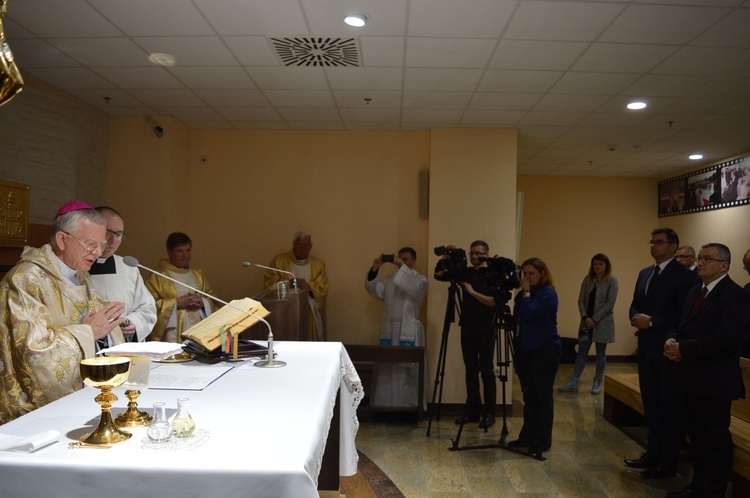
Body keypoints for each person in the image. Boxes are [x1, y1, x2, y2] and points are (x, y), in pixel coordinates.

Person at [0, 201, 126, 423]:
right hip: (35, 413)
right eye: (90, 244)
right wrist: (88, 332)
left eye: (100, 244)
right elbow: (33, 353)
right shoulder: (25, 280)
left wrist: (110, 324)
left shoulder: (80, 276)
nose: (98, 252)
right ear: (62, 239)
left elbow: (98, 326)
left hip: (86, 399)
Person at [664, 243, 750, 498]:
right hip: (691, 377)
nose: (700, 262)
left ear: (724, 265)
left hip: (715, 379)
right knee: (697, 438)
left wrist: (684, 349)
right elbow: (684, 327)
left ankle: (712, 491)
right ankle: (697, 486)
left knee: (714, 441)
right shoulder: (694, 292)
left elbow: (726, 338)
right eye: (699, 258)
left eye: (707, 259)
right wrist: (672, 341)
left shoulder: (735, 295)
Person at [625, 228, 700, 478]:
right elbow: (636, 303)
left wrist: (653, 322)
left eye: (659, 243)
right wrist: (635, 316)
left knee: (670, 407)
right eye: (652, 242)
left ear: (673, 247)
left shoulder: (684, 276)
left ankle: (668, 461)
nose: (653, 246)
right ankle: (652, 453)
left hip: (668, 350)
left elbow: (684, 315)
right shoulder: (645, 273)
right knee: (652, 404)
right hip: (646, 349)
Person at [438, 241, 498, 429]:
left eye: (478, 253)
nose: (474, 257)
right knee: (470, 371)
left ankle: (489, 413)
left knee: (486, 371)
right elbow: (438, 275)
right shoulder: (467, 272)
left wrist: (471, 292)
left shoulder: (493, 274)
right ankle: (472, 410)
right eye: (471, 253)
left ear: (487, 254)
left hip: (487, 328)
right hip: (468, 327)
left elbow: (494, 302)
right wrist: (446, 257)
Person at [509, 257, 561, 456]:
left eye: (531, 274)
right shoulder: (523, 295)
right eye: (525, 274)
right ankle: (527, 436)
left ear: (542, 274)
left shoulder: (549, 294)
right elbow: (519, 318)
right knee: (529, 396)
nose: (527, 277)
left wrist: (527, 292)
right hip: (525, 351)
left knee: (542, 397)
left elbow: (530, 313)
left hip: (545, 351)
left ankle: (542, 440)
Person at [364, 247, 428, 407]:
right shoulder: (389, 281)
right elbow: (373, 289)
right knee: (388, 369)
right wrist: (375, 268)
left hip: (409, 332)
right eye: (399, 259)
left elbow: (413, 287)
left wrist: (402, 268)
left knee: (407, 373)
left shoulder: (420, 281)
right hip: (390, 331)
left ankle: (410, 406)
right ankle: (385, 405)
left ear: (413, 262)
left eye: (405, 259)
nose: (400, 262)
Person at [89, 206, 156, 343]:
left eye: (118, 234)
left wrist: (132, 323)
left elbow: (147, 308)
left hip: (126, 350)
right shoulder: (75, 268)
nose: (113, 240)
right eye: (108, 232)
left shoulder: (128, 268)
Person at [558, 253, 618, 395]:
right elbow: (580, 300)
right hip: (586, 322)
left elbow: (610, 303)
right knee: (581, 352)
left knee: (600, 353)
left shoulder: (611, 280)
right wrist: (586, 317)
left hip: (602, 323)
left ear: (606, 266)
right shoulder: (587, 280)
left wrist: (595, 319)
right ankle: (574, 381)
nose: (597, 267)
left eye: (601, 264)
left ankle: (597, 381)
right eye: (595, 264)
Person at [146, 232, 217, 343]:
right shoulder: (158, 276)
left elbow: (214, 300)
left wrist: (202, 302)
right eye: (180, 251)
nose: (185, 256)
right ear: (169, 252)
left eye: (188, 250)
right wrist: (175, 304)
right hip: (171, 337)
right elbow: (147, 307)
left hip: (199, 334)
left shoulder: (198, 274)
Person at [264, 231, 328, 341]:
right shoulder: (279, 261)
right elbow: (269, 284)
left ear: (310, 246)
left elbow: (323, 288)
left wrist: (310, 287)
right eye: (299, 245)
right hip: (285, 311)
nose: (302, 248)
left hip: (308, 312)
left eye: (305, 245)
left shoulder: (318, 265)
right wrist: (289, 283)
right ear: (293, 244)